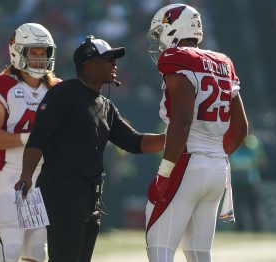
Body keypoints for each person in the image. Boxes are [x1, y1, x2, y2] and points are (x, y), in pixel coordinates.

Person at [15, 35, 166, 262]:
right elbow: (39, 137)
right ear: (89, 64)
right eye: (108, 59)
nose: (114, 64)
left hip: (90, 197)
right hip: (62, 193)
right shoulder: (63, 93)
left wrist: (173, 137)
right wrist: (26, 174)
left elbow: (134, 142)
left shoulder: (105, 105)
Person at [145, 4, 248, 262]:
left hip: (188, 161)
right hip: (217, 168)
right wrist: (214, 155)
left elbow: (181, 122)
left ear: (174, 28)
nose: (158, 42)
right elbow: (241, 127)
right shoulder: (223, 62)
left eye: (160, 33)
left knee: (159, 246)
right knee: (199, 254)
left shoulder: (178, 59)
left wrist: (165, 172)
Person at [0, 23, 60, 262]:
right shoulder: (3, 87)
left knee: (36, 253)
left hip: (41, 183)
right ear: (18, 52)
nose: (39, 58)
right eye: (33, 52)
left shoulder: (56, 89)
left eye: (43, 52)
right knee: (10, 249)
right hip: (11, 179)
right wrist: (28, 138)